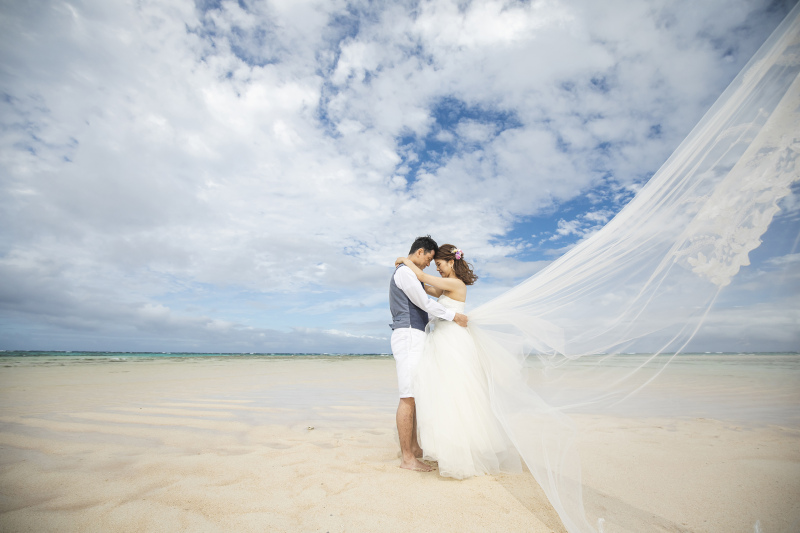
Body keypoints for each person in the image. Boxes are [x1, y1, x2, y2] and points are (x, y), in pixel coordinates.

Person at [395, 245, 521, 479]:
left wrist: (405, 260)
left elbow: (421, 277)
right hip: (443, 340)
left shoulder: (456, 284)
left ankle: (459, 451)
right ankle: (444, 447)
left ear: (451, 262)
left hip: (451, 341)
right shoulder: (446, 288)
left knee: (456, 394)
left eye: (440, 265)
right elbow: (424, 288)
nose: (439, 270)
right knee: (446, 395)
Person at [389, 236, 468, 472]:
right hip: (409, 334)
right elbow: (424, 301)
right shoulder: (405, 272)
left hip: (417, 334)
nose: (428, 265)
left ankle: (414, 449)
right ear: (420, 252)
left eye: (436, 262)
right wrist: (454, 316)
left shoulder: (412, 273)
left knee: (414, 393)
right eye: (428, 260)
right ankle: (408, 458)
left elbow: (426, 290)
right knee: (408, 395)